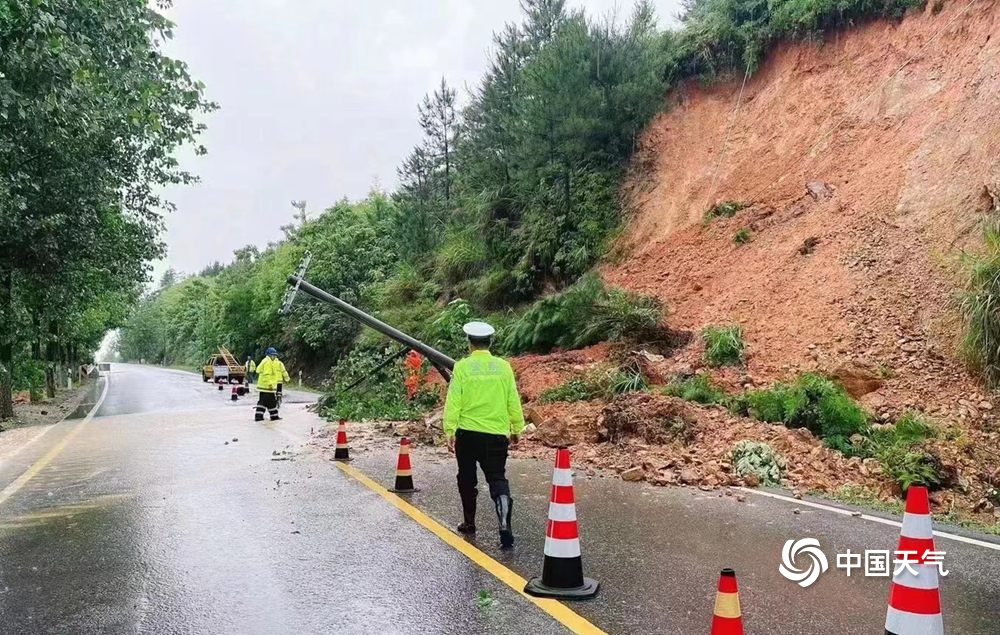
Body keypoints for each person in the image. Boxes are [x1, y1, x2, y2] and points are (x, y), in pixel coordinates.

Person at [443, 321, 525, 549]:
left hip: (468, 434)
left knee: (467, 478)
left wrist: (449, 429)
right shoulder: (504, 367)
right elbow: (512, 399)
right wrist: (517, 427)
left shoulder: (462, 367)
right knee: (497, 478)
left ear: (469, 343)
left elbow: (454, 401)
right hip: (496, 435)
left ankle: (469, 523)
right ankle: (504, 524)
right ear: (491, 343)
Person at [254, 347, 289, 422]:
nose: (274, 356)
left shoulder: (272, 362)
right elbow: (267, 375)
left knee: (266, 402)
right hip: (267, 387)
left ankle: (264, 417)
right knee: (268, 402)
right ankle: (267, 417)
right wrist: (270, 384)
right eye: (272, 355)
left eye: (275, 355)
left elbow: (282, 371)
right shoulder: (268, 362)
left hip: (267, 387)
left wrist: (286, 378)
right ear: (269, 355)